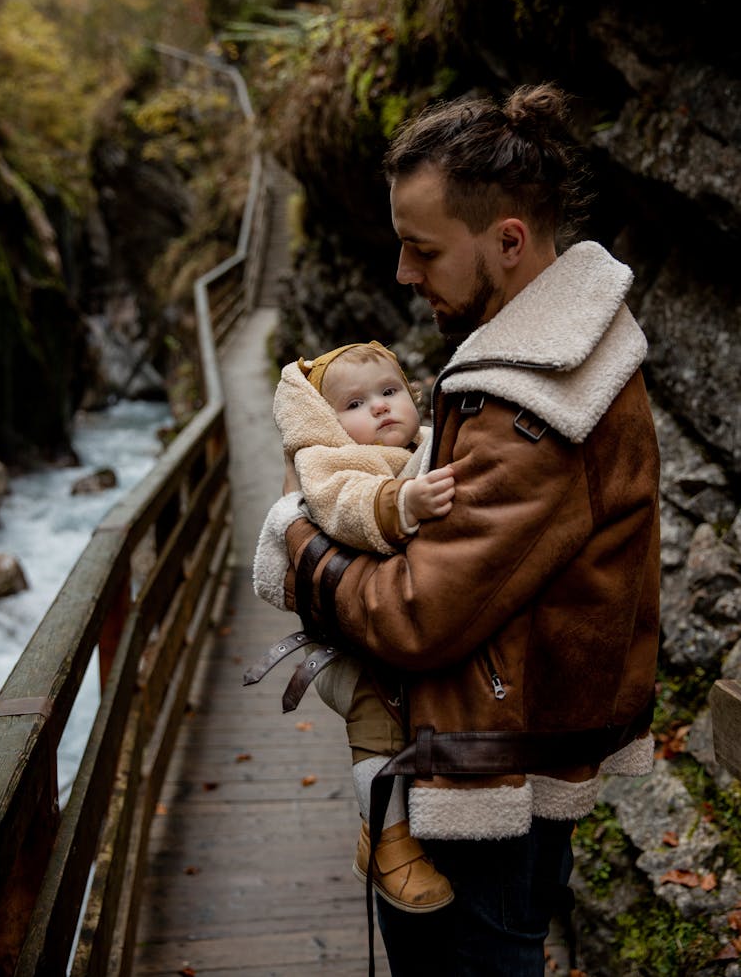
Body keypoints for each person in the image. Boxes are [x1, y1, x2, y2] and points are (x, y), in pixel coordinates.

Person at [276, 82, 661, 977]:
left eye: (423, 251)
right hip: (501, 744)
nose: (404, 274)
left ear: (509, 242)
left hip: (486, 779)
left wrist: (299, 544)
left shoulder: (536, 408)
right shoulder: (568, 341)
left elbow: (418, 613)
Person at [252, 339, 456, 913]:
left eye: (390, 393)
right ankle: (384, 835)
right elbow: (342, 503)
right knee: (376, 717)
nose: (380, 408)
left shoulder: (427, 445)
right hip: (348, 646)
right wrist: (401, 505)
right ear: (327, 422)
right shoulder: (328, 461)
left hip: (404, 626)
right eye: (356, 404)